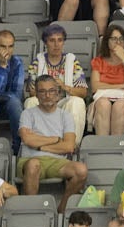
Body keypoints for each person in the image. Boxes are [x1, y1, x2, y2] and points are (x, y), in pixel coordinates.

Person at [18, 76, 89, 211]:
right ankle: (31, 212)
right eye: (42, 91)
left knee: (81, 170)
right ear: (36, 94)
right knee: (33, 165)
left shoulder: (65, 116)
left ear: (58, 93)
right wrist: (55, 139)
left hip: (57, 162)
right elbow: (27, 140)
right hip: (30, 159)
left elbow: (69, 146)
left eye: (51, 91)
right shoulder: (27, 114)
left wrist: (40, 146)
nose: (47, 95)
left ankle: (62, 209)